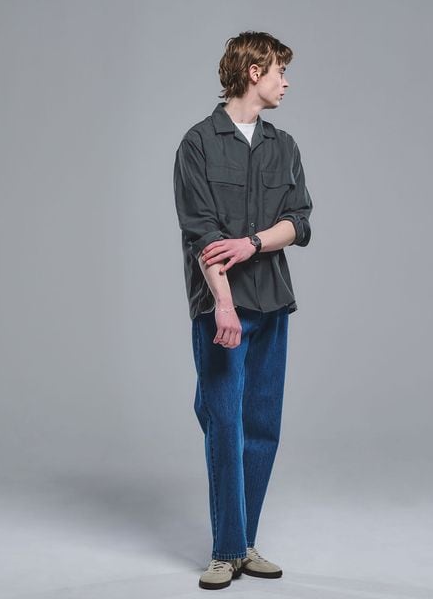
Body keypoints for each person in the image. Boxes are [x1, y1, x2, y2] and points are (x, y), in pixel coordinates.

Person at [173, 30, 313, 590]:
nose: (286, 82)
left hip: (272, 301)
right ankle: (225, 550)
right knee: (223, 422)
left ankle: (244, 544)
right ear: (254, 72)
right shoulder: (198, 143)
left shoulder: (285, 145)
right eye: (280, 71)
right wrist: (223, 305)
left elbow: (299, 222)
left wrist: (254, 243)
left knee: (262, 426)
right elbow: (201, 232)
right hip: (221, 309)